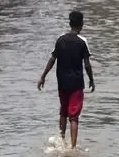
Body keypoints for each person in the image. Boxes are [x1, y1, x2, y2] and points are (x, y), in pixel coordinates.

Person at [38, 11, 95, 149]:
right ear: (81, 24)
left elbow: (52, 59)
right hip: (76, 84)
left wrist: (43, 76)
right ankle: (73, 147)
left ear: (69, 23)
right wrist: (91, 79)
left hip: (62, 82)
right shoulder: (82, 42)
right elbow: (87, 64)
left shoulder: (60, 39)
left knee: (63, 112)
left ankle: (62, 141)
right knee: (74, 117)